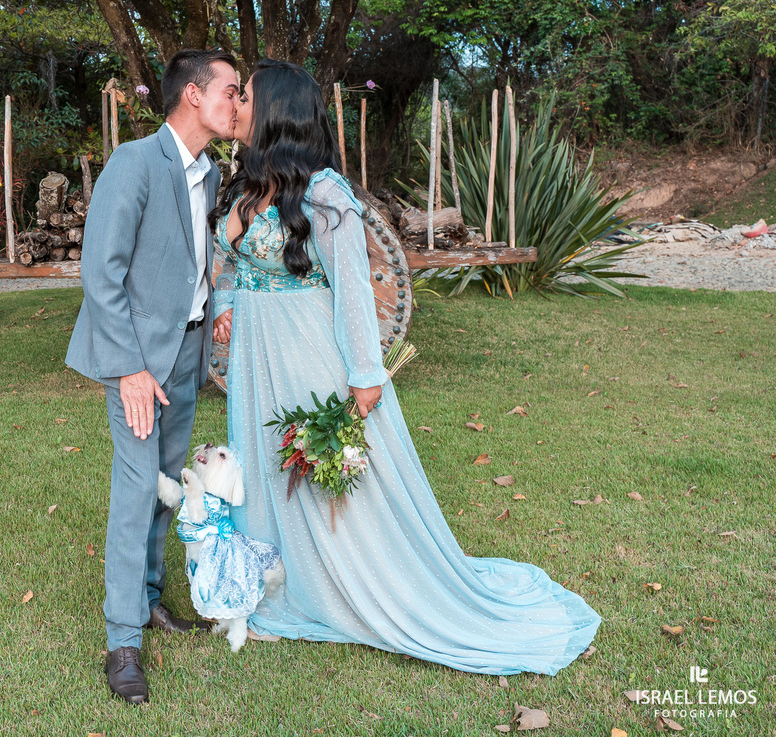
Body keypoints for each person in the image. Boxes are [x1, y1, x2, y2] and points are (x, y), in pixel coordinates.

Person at [209, 60, 600, 676]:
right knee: (264, 465)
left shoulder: (326, 195)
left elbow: (356, 292)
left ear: (277, 114)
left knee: (319, 473)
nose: (234, 105)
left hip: (309, 355)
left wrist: (366, 378)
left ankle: (347, 585)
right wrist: (228, 308)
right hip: (259, 358)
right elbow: (231, 265)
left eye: (247, 97)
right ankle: (278, 578)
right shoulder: (246, 187)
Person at [65, 49, 240, 703]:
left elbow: (197, 261)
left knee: (171, 483)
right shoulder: (136, 162)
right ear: (192, 95)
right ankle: (122, 641)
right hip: (136, 361)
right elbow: (100, 273)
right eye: (230, 89)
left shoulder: (212, 173)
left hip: (189, 354)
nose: (237, 101)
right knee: (138, 486)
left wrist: (214, 312)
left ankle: (148, 599)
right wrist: (129, 367)